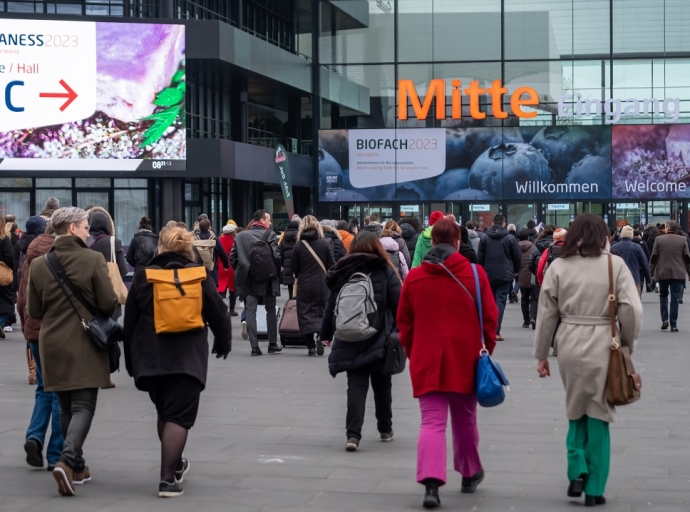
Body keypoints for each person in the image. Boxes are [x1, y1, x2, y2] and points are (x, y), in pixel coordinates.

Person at [534, 213, 642, 507]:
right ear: (604, 236)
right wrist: (628, 344)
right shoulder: (614, 265)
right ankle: (594, 487)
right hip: (604, 342)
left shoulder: (559, 266)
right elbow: (632, 309)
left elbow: (546, 314)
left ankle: (576, 468)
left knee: (575, 406)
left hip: (568, 339)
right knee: (599, 412)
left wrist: (542, 354)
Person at [123, 224, 231, 498]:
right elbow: (219, 313)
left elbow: (130, 323)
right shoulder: (199, 275)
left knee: (166, 413)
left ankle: (176, 463)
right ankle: (167, 479)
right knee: (178, 417)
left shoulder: (143, 276)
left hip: (150, 358)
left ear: (160, 246)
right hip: (187, 358)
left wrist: (130, 361)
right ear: (187, 248)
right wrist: (222, 342)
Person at [397, 218, 498, 507]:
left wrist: (415, 352)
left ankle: (431, 483)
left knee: (432, 422)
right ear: (457, 242)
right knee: (465, 421)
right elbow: (489, 321)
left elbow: (404, 323)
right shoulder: (476, 275)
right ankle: (469, 472)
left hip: (427, 359)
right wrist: (485, 351)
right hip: (466, 358)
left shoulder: (415, 278)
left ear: (431, 242)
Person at [26, 207, 119, 496]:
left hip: (51, 342)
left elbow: (34, 310)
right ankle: (66, 461)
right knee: (84, 406)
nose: (88, 231)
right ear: (71, 229)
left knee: (65, 405)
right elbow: (108, 303)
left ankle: (77, 466)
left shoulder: (41, 264)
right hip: (84, 341)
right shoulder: (92, 259)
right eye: (84, 227)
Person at [320, 231, 401, 451]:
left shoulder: (343, 270)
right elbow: (400, 302)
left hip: (349, 336)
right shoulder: (384, 269)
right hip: (379, 335)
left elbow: (331, 305)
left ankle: (353, 436)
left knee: (356, 386)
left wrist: (325, 333)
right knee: (382, 385)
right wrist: (399, 331)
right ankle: (385, 429)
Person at [19, 221, 64, 472]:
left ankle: (34, 436)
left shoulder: (30, 257)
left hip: (34, 329)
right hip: (55, 331)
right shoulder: (58, 257)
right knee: (58, 391)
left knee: (42, 389)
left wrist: (26, 326)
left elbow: (22, 298)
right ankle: (55, 453)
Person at [230, 210, 282, 356]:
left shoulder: (240, 236)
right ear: (262, 220)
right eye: (269, 220)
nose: (270, 222)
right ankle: (272, 344)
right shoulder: (270, 235)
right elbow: (277, 257)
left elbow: (232, 257)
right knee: (270, 309)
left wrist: (242, 270)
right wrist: (276, 273)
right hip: (268, 278)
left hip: (248, 278)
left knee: (250, 310)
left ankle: (254, 347)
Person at [292, 216, 335, 356]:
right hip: (321, 282)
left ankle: (310, 346)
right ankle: (320, 336)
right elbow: (331, 264)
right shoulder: (324, 243)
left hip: (304, 282)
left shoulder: (299, 245)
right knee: (321, 310)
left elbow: (294, 266)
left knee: (304, 312)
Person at [477, 214, 521, 341]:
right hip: (505, 274)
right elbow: (517, 256)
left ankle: (487, 330)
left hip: (488, 274)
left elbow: (480, 257)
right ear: (504, 223)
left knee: (489, 301)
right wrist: (516, 270)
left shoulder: (485, 238)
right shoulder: (510, 238)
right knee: (500, 301)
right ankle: (495, 331)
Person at [16, 216, 47, 381]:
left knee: (31, 334)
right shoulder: (47, 248)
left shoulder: (23, 247)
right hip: (43, 298)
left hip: (26, 294)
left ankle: (33, 370)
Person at [650, 220, 690, 332]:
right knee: (675, 297)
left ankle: (664, 320)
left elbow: (654, 257)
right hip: (678, 273)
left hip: (662, 272)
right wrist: (689, 272)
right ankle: (674, 324)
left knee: (663, 295)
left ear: (667, 228)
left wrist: (651, 273)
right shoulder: (683, 240)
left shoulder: (659, 239)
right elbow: (687, 257)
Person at [610, 225, 651, 297]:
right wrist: (648, 279)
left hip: (618, 280)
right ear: (631, 235)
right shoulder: (637, 247)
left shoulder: (614, 247)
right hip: (634, 279)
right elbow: (644, 263)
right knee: (635, 305)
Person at [528, 226, 555, 329]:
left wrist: (535, 272)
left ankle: (534, 317)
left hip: (539, 275)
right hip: (553, 276)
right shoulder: (556, 245)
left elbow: (530, 262)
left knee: (536, 297)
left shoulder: (537, 244)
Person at [217, 222, 238, 315]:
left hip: (220, 267)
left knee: (221, 289)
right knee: (233, 290)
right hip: (231, 269)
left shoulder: (218, 240)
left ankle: (219, 309)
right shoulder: (234, 242)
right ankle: (232, 309)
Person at [0, 216, 16, 338]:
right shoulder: (4, 239)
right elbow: (10, 256)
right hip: (2, 273)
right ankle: (2, 322)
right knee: (5, 297)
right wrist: (11, 268)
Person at [517, 230, 534, 328]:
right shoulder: (533, 247)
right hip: (531, 276)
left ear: (518, 238)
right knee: (533, 298)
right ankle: (533, 317)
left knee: (524, 298)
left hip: (522, 276)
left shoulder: (515, 247)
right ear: (528, 237)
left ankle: (526, 320)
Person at [279, 220, 299, 300]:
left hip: (288, 266)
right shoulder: (300, 237)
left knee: (290, 288)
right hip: (298, 267)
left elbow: (280, 253)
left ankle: (291, 302)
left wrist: (282, 264)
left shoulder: (284, 238)